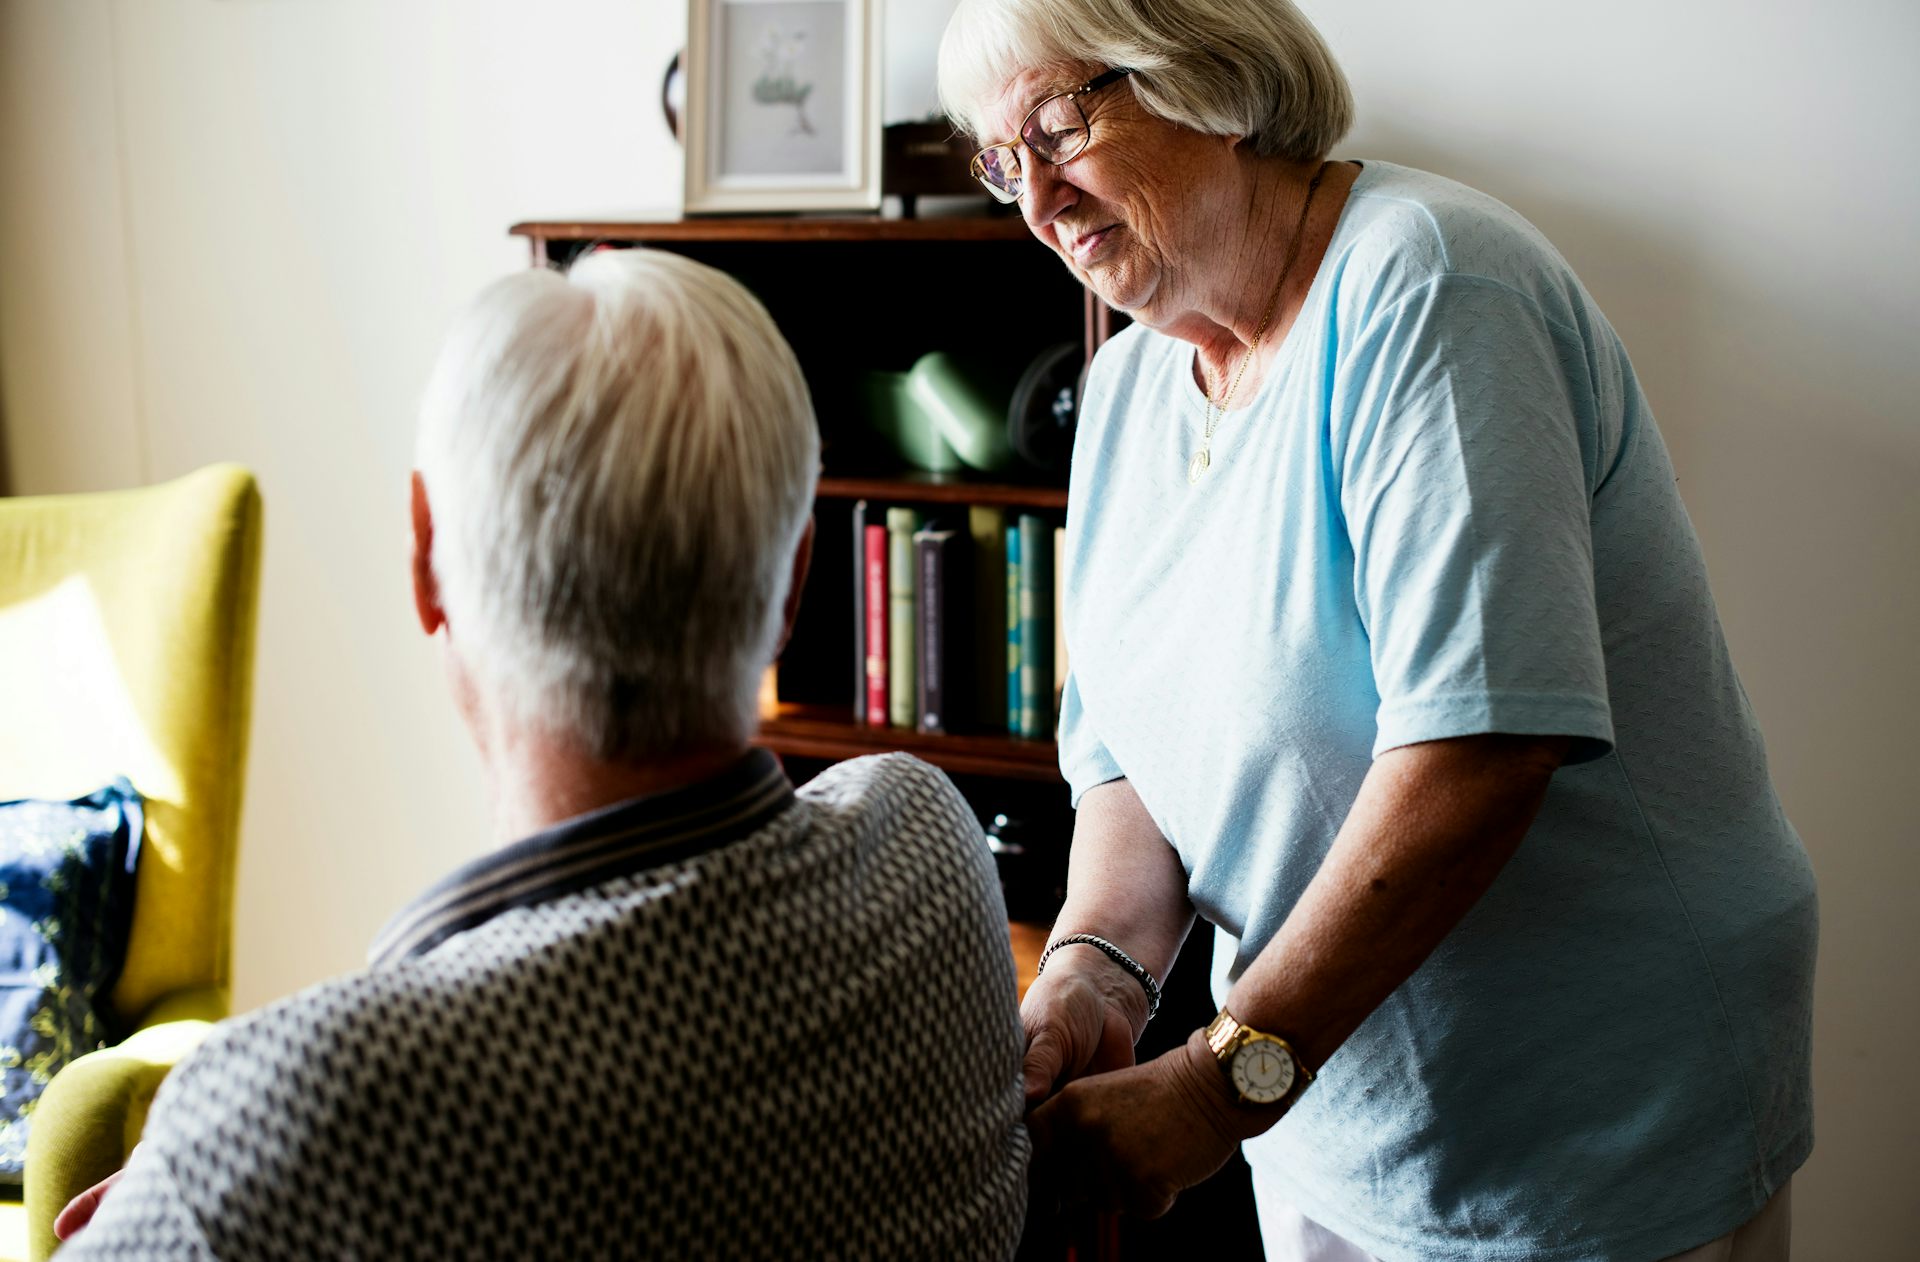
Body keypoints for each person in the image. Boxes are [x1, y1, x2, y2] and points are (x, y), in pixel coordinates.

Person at [937, 2, 1817, 1260]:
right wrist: (1095, 972)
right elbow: (1130, 753)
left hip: (1586, 1107)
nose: (1037, 201)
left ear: (1212, 81)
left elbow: (1479, 748)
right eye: (997, 159)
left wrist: (1210, 1082)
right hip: (1319, 1093)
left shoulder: (1433, 282)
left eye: (1058, 127)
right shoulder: (1131, 382)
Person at [53, 249, 1029, 1259]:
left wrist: (216, 1183)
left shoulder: (295, 1117)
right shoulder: (931, 847)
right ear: (795, 582)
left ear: (426, 554)